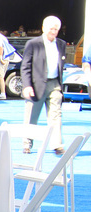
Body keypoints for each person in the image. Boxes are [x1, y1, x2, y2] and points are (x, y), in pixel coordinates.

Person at [20, 15, 66, 154]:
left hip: (54, 84)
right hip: (36, 85)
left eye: (56, 29)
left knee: (56, 115)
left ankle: (56, 144)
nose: (54, 31)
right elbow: (25, 66)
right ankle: (27, 143)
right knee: (31, 116)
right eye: (51, 28)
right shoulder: (33, 44)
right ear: (43, 28)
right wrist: (27, 85)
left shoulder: (61, 44)